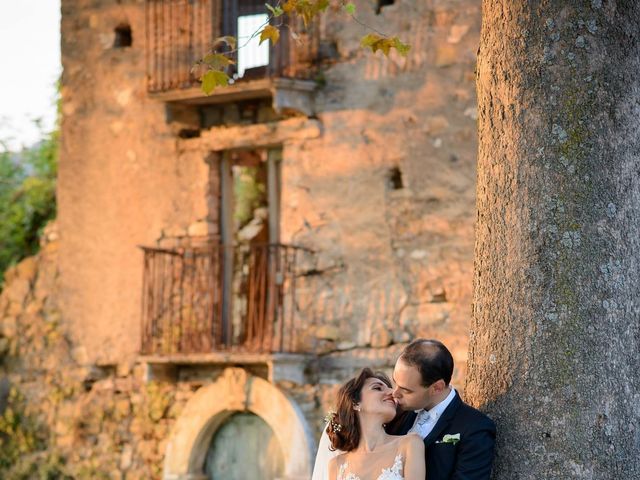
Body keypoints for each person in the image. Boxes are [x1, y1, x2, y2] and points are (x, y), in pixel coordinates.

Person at [312, 339, 496, 480]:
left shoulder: (474, 428)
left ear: (437, 388)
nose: (394, 393)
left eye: (406, 390)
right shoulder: (392, 415)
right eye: (395, 382)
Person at [325, 368, 425, 480]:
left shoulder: (410, 445)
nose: (392, 393)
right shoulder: (336, 466)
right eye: (377, 388)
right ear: (355, 403)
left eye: (390, 388)